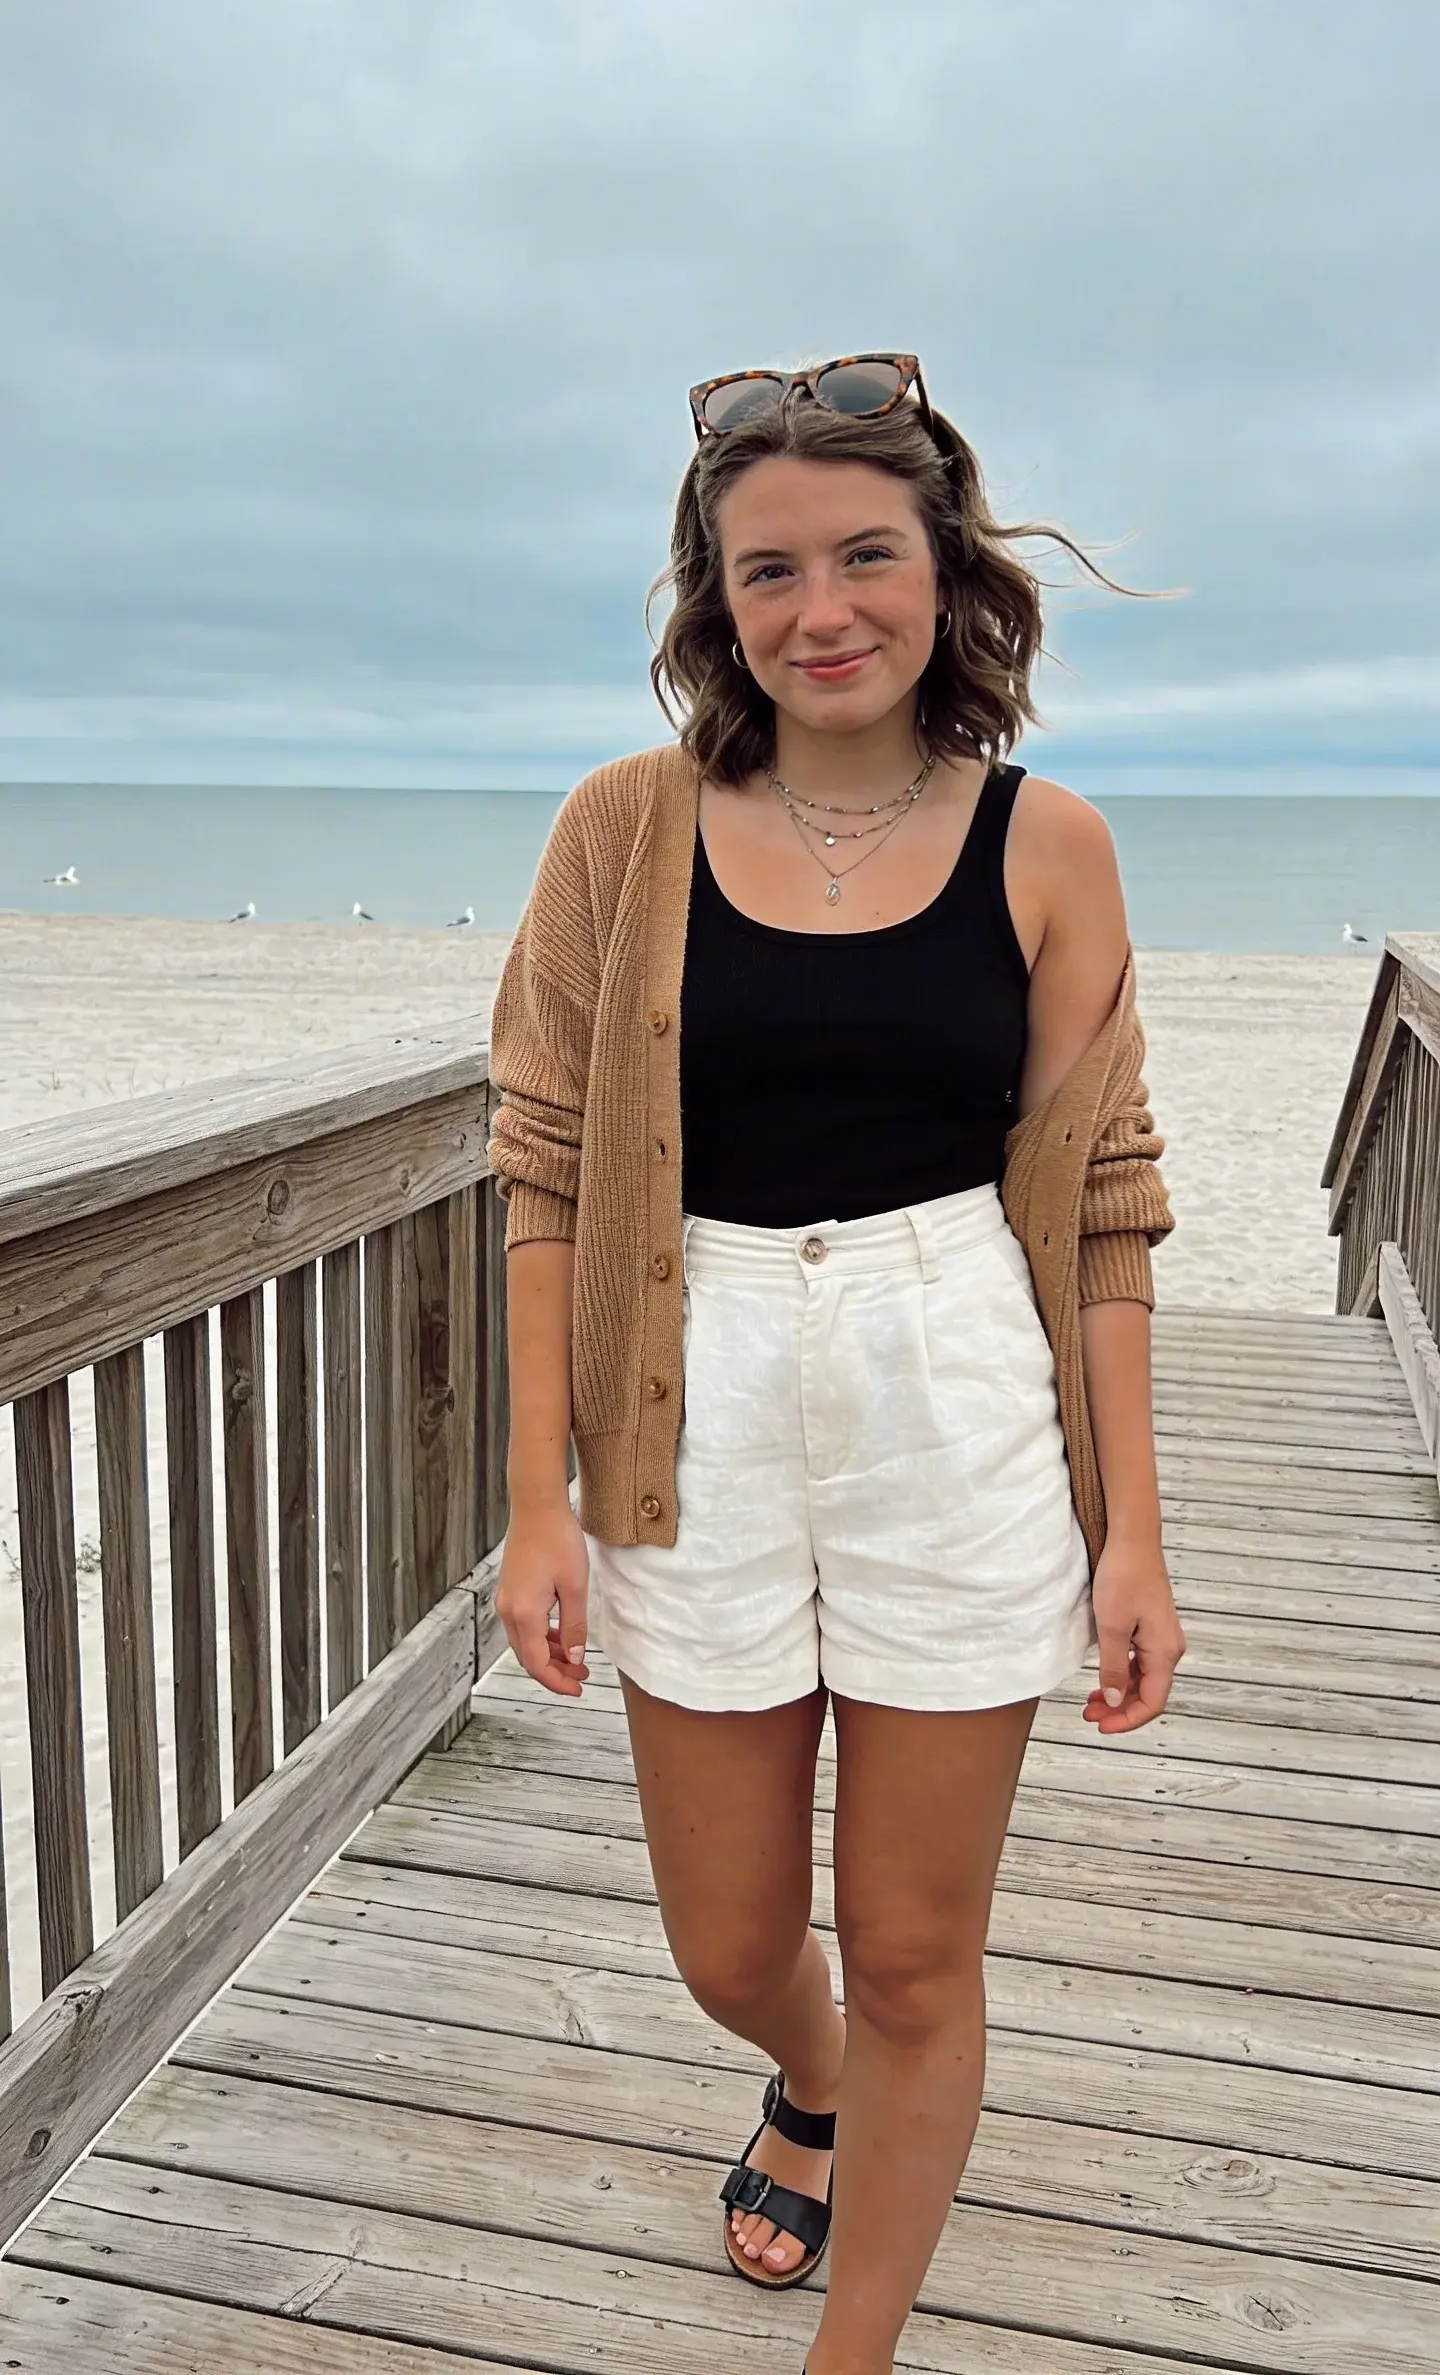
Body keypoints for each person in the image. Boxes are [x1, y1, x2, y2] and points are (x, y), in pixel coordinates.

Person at [487, 353, 1184, 2375]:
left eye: (868, 553)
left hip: (952, 1386)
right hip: (686, 1393)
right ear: (717, 600)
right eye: (769, 567)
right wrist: (535, 1491)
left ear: (946, 567)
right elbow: (543, 1165)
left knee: (910, 1944)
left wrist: (1132, 1530)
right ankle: (803, 2076)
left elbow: (1106, 1199)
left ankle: (853, 2348)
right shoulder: (624, 830)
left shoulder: (1050, 845)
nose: (825, 607)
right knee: (728, 1941)